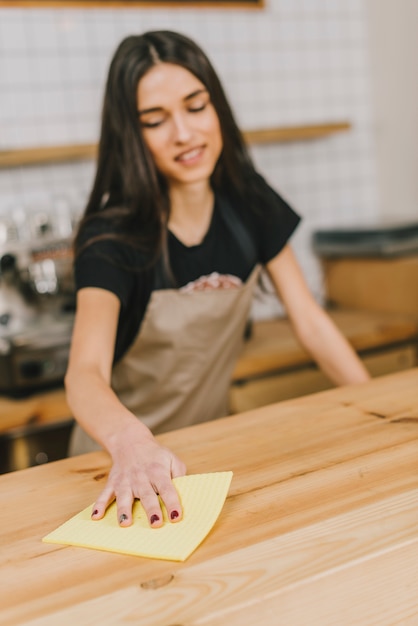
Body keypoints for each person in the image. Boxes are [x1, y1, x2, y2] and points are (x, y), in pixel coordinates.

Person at [65, 30, 370, 529]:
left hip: (204, 452)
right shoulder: (111, 236)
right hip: (115, 464)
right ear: (131, 136)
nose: (184, 133)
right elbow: (84, 373)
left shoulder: (249, 201)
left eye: (196, 106)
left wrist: (383, 409)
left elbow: (311, 323)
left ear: (218, 108)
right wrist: (131, 443)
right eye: (155, 121)